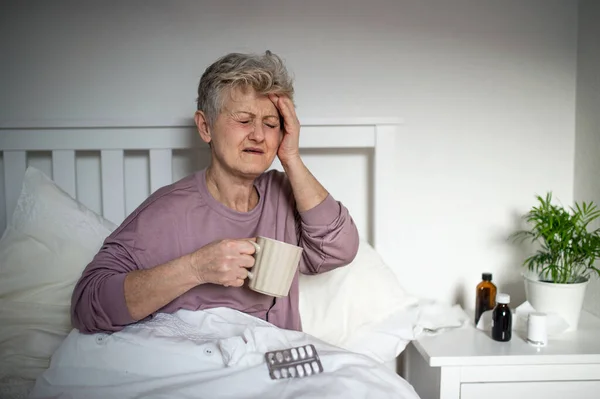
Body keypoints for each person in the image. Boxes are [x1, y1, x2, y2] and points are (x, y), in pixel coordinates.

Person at [70, 51, 360, 334]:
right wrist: (195, 269)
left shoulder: (284, 194)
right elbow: (87, 307)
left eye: (271, 124)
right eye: (244, 120)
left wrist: (292, 157)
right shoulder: (169, 210)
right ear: (205, 126)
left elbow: (339, 249)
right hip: (201, 369)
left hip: (275, 370)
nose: (259, 135)